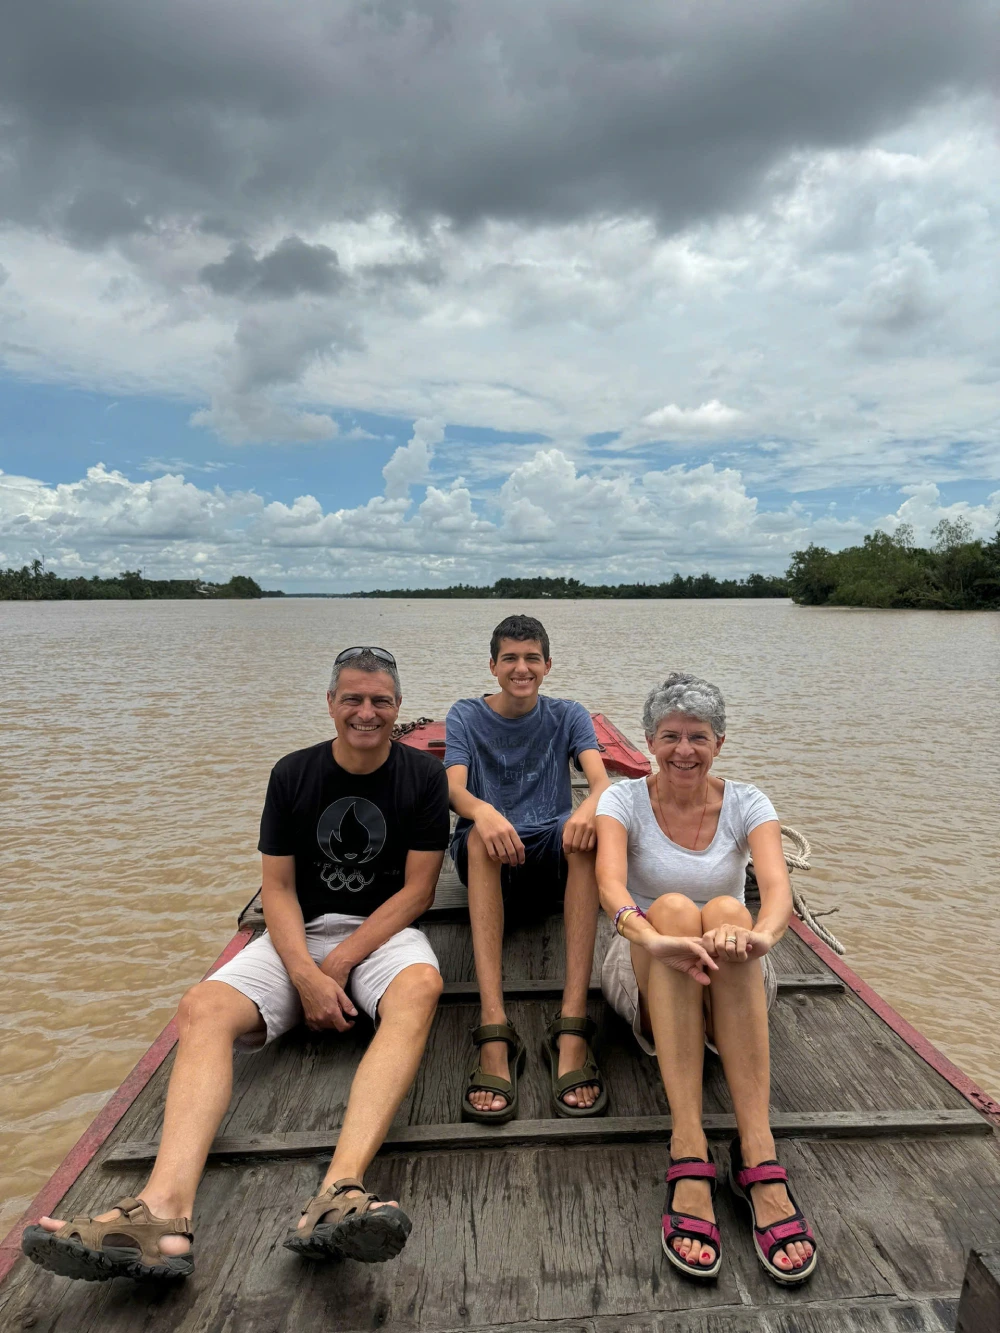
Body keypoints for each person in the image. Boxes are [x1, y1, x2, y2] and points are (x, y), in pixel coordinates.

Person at [23, 647, 449, 1282]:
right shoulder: (293, 774)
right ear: (330, 704)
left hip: (379, 931)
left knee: (422, 988)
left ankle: (339, 1192)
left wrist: (337, 965)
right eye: (353, 699)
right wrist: (304, 971)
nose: (367, 712)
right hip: (298, 928)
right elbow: (275, 888)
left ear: (397, 709)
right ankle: (163, 1212)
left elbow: (417, 891)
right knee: (203, 1006)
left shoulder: (422, 776)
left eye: (380, 701)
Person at [596, 672, 818, 1286]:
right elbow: (612, 888)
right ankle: (688, 1145)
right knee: (668, 906)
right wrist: (651, 935)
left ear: (719, 742)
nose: (684, 751)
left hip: (732, 974)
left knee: (726, 910)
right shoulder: (622, 800)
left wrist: (759, 937)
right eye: (670, 736)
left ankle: (757, 1150)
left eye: (698, 737)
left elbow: (776, 894)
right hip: (645, 959)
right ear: (647, 741)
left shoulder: (748, 803)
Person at [445, 614, 611, 1122]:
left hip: (548, 852)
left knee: (586, 839)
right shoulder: (466, 715)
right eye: (511, 658)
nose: (522, 668)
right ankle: (494, 1027)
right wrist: (483, 810)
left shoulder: (568, 715)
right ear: (493, 665)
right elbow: (453, 787)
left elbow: (602, 782)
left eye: (532, 658)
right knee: (476, 840)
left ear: (547, 665)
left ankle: (572, 1021)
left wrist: (587, 808)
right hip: (490, 851)